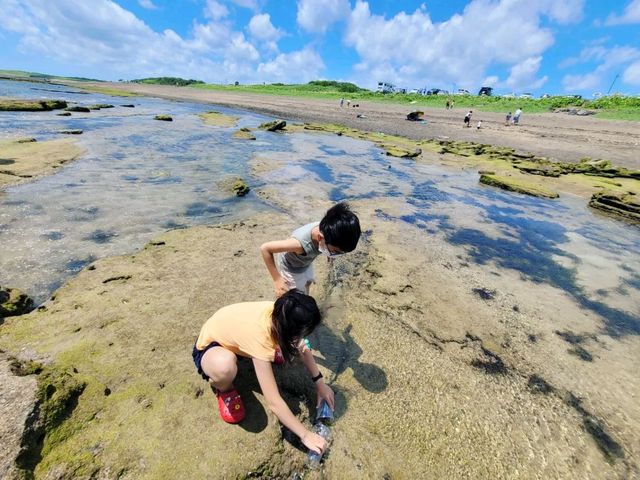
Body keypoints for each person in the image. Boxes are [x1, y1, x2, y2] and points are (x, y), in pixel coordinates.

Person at [192, 290, 333, 456]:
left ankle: (260, 352)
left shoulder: (283, 313)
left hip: (238, 339)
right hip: (212, 347)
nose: (303, 337)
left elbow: (303, 346)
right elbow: (273, 401)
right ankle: (225, 389)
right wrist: (305, 435)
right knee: (225, 368)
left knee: (285, 347)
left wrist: (320, 384)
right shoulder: (260, 338)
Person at [260, 202, 361, 297]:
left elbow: (334, 245)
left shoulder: (329, 231)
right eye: (335, 252)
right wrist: (277, 280)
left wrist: (331, 254)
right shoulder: (299, 244)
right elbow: (265, 248)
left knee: (307, 282)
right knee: (293, 295)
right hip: (291, 267)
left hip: (305, 261)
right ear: (320, 238)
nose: (337, 255)